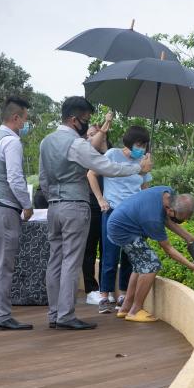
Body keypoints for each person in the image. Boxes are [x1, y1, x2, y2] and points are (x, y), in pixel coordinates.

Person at [38, 97, 152, 331]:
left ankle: (54, 313)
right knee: (71, 261)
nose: (87, 125)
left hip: (54, 206)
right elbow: (105, 167)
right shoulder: (76, 144)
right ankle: (66, 315)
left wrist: (53, 198)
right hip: (74, 206)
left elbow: (42, 178)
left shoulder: (46, 142)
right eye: (86, 120)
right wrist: (136, 169)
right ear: (74, 119)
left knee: (55, 261)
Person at [107, 186, 194, 322]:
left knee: (140, 265)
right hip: (122, 230)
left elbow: (167, 219)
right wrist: (193, 266)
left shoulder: (167, 193)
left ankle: (125, 308)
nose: (182, 222)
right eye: (181, 218)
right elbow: (168, 249)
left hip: (123, 222)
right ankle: (135, 311)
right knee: (151, 265)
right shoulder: (153, 219)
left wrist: (189, 237)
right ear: (170, 210)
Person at [0, 96, 34, 331]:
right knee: (3, 266)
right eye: (25, 119)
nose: (25, 124)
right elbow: (15, 178)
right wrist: (27, 204)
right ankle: (1, 316)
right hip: (4, 210)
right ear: (15, 118)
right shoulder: (11, 142)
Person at [88, 125, 152, 314]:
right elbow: (91, 173)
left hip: (134, 215)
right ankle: (104, 296)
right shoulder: (112, 154)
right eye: (139, 144)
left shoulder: (142, 162)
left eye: (144, 145)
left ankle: (123, 293)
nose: (141, 148)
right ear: (129, 142)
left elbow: (145, 188)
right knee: (109, 254)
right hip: (113, 211)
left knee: (129, 256)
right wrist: (100, 199)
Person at [82, 120, 114, 306]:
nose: (90, 138)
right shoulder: (87, 156)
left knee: (107, 249)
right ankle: (90, 289)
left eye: (93, 134)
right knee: (89, 248)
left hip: (110, 207)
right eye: (88, 136)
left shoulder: (113, 155)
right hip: (92, 206)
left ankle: (105, 288)